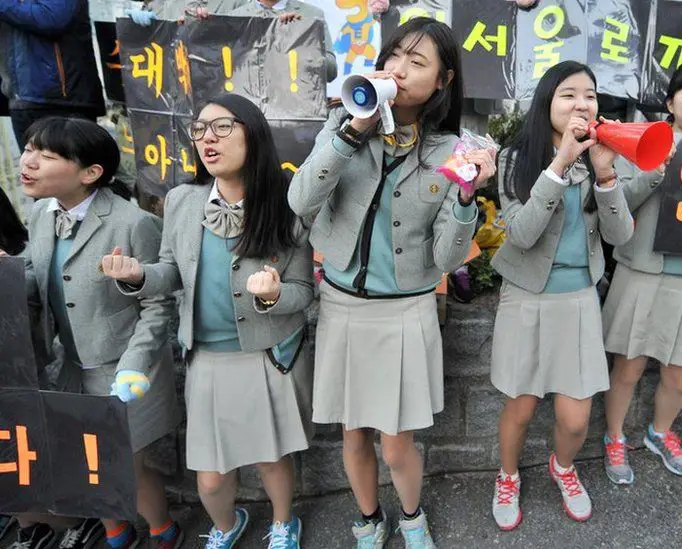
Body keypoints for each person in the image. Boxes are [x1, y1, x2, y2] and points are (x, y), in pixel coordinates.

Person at [288, 17, 495, 548]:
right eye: (394, 57)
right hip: (341, 305)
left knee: (397, 443)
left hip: (404, 310)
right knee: (352, 434)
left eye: (416, 62)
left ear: (444, 80)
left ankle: (411, 516)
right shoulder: (342, 124)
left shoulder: (454, 151)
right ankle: (366, 519)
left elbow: (449, 257)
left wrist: (468, 196)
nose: (399, 71)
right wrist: (351, 131)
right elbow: (300, 201)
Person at [102, 94, 314, 549]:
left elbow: (303, 292)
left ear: (252, 134)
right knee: (212, 480)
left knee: (271, 457)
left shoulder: (286, 202)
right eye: (199, 130)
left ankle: (283, 523)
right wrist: (139, 276)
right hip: (208, 359)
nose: (206, 139)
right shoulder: (181, 199)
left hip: (265, 355)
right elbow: (170, 270)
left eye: (221, 128)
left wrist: (274, 294)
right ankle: (225, 524)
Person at [17, 117, 181, 549]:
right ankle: (115, 531)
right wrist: (8, 274)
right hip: (73, 366)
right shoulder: (40, 213)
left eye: (46, 155)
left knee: (123, 462)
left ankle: (162, 528)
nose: (28, 161)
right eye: (29, 149)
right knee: (91, 456)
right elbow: (36, 273)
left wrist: (133, 366)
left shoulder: (131, 223)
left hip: (126, 370)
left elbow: (158, 303)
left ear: (90, 173)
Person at [488, 61, 634, 529]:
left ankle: (563, 466)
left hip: (578, 301)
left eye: (589, 95)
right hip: (527, 297)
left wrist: (607, 176)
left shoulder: (602, 154)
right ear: (547, 102)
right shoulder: (516, 158)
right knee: (522, 405)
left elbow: (620, 236)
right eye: (568, 94)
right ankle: (507, 475)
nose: (582, 104)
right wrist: (559, 163)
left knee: (575, 420)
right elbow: (522, 234)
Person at [601, 60, 682, 482]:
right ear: (670, 102)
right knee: (628, 366)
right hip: (643, 270)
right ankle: (614, 437)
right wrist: (657, 170)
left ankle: (661, 432)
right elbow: (617, 207)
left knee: (681, 372)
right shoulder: (640, 140)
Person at [0, 0, 105, 149]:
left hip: (61, 100)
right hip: (20, 99)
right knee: (32, 169)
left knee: (72, 167)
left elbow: (53, 18)